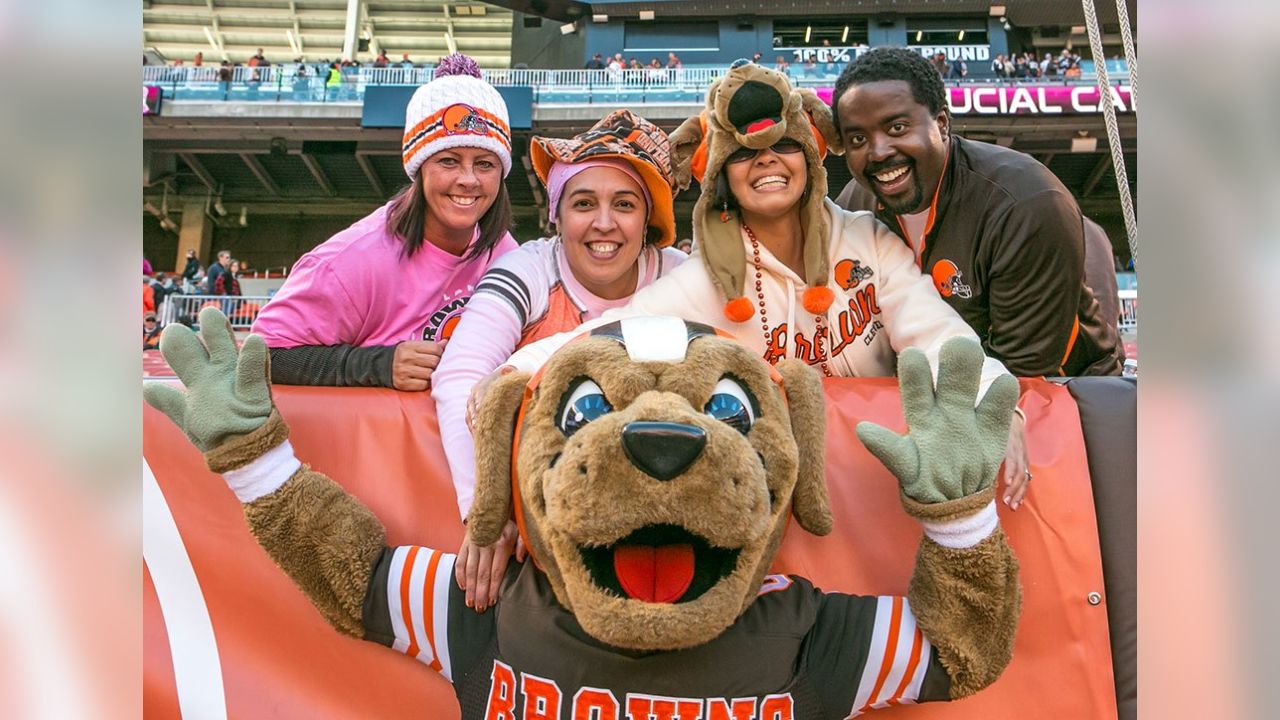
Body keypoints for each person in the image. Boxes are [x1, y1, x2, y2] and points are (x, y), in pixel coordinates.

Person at [487, 60, 1030, 510]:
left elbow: (937, 336)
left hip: (883, 479)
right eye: (743, 154)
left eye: (784, 146)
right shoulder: (704, 280)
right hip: (782, 496)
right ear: (722, 174)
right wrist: (513, 372)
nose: (766, 160)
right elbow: (610, 334)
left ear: (810, 156)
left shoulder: (867, 240)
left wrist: (993, 401)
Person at [432, 110, 688, 611]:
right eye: (583, 203)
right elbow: (460, 375)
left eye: (625, 204)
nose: (604, 223)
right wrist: (487, 511)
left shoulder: (681, 276)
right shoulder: (528, 267)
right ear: (556, 213)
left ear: (648, 219)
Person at [831, 47, 1123, 377]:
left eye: (897, 128)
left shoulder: (1024, 203)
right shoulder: (853, 208)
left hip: (1060, 392)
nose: (878, 152)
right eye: (857, 138)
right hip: (932, 393)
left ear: (941, 124)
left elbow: (1021, 371)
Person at [249, 53, 517, 390]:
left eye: (485, 164)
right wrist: (377, 364)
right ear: (418, 169)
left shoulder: (504, 251)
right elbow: (262, 355)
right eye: (449, 161)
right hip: (370, 440)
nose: (469, 179)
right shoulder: (353, 260)